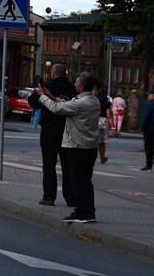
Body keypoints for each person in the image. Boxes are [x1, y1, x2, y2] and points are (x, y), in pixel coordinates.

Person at [36, 72, 102, 223]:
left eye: (76, 82)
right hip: (90, 147)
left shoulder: (81, 103)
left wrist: (42, 96)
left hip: (77, 145)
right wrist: (51, 95)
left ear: (82, 86)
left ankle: (82, 212)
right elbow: (64, 104)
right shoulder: (94, 101)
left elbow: (57, 109)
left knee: (78, 180)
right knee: (86, 180)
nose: (74, 84)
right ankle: (88, 211)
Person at [28, 63, 77, 206]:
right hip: (67, 129)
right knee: (68, 165)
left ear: (53, 73)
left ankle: (49, 197)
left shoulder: (47, 86)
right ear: (65, 73)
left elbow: (34, 103)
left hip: (50, 128)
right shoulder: (73, 88)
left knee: (49, 163)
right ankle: (71, 198)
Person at [97, 91, 110, 163]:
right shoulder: (107, 104)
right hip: (104, 122)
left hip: (95, 120)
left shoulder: (95, 102)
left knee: (94, 141)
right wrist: (113, 127)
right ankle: (102, 158)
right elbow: (109, 115)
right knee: (102, 142)